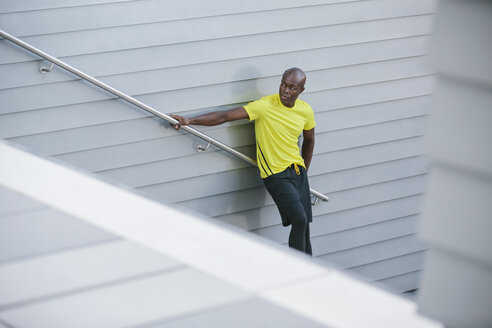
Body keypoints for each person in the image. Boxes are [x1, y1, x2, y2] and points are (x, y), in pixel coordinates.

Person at [170, 67, 316, 255]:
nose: (286, 91)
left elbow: (310, 139)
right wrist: (189, 121)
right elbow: (224, 116)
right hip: (276, 175)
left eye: (292, 88)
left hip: (298, 172)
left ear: (301, 90)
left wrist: (304, 169)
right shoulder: (264, 106)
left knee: (305, 228)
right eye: (283, 85)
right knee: (300, 220)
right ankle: (299, 268)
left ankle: (310, 272)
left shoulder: (305, 110)